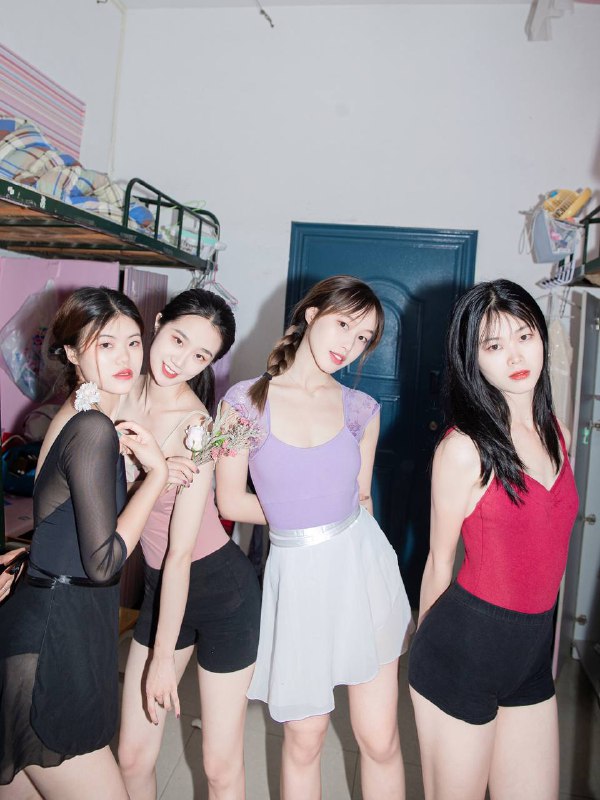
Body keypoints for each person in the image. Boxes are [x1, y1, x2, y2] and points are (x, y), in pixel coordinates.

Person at [216, 275, 414, 800]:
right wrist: (299, 515)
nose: (350, 345)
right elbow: (229, 501)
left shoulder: (361, 408)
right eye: (343, 324)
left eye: (363, 338)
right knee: (305, 741)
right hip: (298, 578)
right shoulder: (242, 402)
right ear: (311, 315)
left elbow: (362, 498)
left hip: (362, 570)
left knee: (379, 739)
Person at [408, 279, 578, 800]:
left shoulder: (558, 433)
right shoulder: (464, 449)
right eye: (494, 345)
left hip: (531, 655)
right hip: (462, 653)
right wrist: (423, 653)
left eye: (524, 336)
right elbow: (438, 561)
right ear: (473, 359)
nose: (515, 356)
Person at [0, 287, 168, 800]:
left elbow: (60, 523)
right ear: (72, 353)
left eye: (133, 342)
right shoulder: (93, 427)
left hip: (45, 629)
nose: (124, 357)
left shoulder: (76, 413)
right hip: (54, 644)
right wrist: (156, 478)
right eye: (105, 344)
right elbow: (103, 561)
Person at [117, 288, 261, 800]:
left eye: (200, 355)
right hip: (162, 590)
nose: (180, 361)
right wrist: (151, 472)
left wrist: (162, 656)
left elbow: (180, 553)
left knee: (219, 768)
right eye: (178, 339)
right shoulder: (116, 394)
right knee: (132, 757)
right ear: (157, 323)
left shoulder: (197, 428)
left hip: (221, 593)